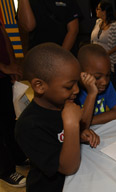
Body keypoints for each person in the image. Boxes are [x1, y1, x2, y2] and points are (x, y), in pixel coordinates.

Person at [15, 43, 100, 192]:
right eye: (69, 86)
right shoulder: (29, 126)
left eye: (77, 83)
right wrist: (72, 125)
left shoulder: (63, 102)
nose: (77, 90)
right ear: (39, 86)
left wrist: (78, 135)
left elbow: (58, 138)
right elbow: (68, 168)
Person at [0, 18, 27, 188]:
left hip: (2, 79)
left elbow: (3, 34)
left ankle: (17, 156)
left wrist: (11, 64)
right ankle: (5, 170)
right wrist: (3, 67)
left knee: (9, 120)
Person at [76, 44, 116, 129]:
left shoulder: (107, 86)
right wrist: (92, 94)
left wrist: (89, 120)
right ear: (81, 73)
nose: (104, 82)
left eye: (108, 75)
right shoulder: (74, 92)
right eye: (97, 77)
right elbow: (83, 127)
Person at [91, 0, 116, 92]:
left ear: (104, 11)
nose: (96, 10)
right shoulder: (98, 22)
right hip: (97, 59)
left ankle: (114, 104)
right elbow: (94, 39)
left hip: (111, 60)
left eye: (98, 9)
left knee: (111, 84)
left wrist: (107, 53)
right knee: (99, 83)